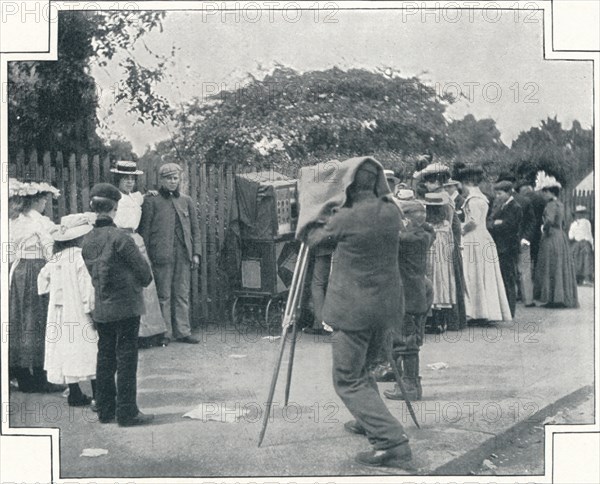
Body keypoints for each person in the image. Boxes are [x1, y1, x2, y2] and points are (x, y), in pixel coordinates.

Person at [304, 159, 412, 469]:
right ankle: (370, 421)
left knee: (347, 379)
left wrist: (316, 211)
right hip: (387, 309)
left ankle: (392, 442)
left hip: (353, 311)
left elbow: (313, 241)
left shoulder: (345, 218)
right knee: (364, 368)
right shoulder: (392, 211)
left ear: (348, 185)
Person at [82, 183, 154, 426]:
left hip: (102, 308)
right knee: (126, 359)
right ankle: (127, 412)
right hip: (126, 308)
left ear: (93, 207)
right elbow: (144, 273)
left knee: (104, 358)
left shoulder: (87, 240)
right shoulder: (121, 238)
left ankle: (105, 410)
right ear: (115, 207)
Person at [8, 178, 64, 393]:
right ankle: (40, 377)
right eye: (44, 200)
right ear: (37, 200)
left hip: (18, 270)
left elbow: (11, 251)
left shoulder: (15, 219)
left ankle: (22, 375)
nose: (45, 204)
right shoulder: (38, 222)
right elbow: (50, 249)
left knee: (20, 321)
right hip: (35, 271)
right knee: (38, 321)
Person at [38, 213, 98, 407]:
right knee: (89, 348)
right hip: (78, 310)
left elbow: (42, 280)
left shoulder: (56, 258)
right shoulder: (80, 258)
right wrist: (91, 308)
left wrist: (54, 294)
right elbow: (86, 288)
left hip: (60, 311)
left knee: (66, 348)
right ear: (79, 237)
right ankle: (98, 394)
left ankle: (74, 393)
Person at [138, 163, 202, 345]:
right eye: (169, 178)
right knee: (163, 295)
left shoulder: (186, 200)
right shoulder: (152, 201)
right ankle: (165, 333)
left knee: (182, 294)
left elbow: (195, 230)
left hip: (183, 255)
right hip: (161, 255)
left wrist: (196, 253)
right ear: (162, 180)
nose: (173, 182)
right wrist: (147, 257)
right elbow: (146, 232)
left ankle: (183, 332)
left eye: (176, 178)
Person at [111, 160, 167, 348]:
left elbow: (141, 198)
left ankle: (150, 332)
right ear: (118, 180)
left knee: (146, 284)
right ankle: (130, 335)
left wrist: (148, 194)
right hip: (120, 238)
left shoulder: (136, 197)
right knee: (127, 284)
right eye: (125, 179)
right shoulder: (114, 197)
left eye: (132, 179)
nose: (129, 182)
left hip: (137, 239)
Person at [384, 199, 435, 401]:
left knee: (406, 342)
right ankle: (404, 380)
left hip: (407, 296)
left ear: (406, 220)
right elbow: (429, 228)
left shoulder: (406, 240)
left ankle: (410, 385)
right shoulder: (424, 236)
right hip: (418, 294)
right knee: (407, 340)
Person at [413, 162, 467, 330]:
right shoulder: (443, 196)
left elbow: (447, 223)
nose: (427, 185)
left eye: (429, 181)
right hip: (445, 238)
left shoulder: (441, 197)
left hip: (440, 238)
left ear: (437, 181)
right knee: (441, 277)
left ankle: (437, 316)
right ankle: (439, 316)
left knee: (436, 275)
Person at [459, 165, 512, 322]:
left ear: (467, 182)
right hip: (484, 237)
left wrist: (461, 229)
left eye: (462, 183)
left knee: (473, 272)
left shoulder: (473, 200)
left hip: (473, 238)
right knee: (484, 273)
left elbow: (473, 222)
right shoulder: (483, 198)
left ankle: (476, 311)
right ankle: (484, 310)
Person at [533, 176, 578, 308]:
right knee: (559, 265)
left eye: (544, 192)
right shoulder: (561, 204)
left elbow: (549, 220)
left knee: (550, 265)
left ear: (549, 192)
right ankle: (559, 297)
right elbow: (564, 222)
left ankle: (552, 298)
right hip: (560, 236)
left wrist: (544, 228)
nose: (543, 195)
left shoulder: (551, 205)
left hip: (551, 236)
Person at [488, 181, 523, 318]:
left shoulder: (515, 207)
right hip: (501, 246)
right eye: (496, 193)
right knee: (502, 277)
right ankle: (504, 309)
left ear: (508, 192)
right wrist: (496, 223)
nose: (497, 196)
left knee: (508, 278)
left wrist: (496, 224)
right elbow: (492, 221)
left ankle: (510, 310)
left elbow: (508, 225)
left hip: (508, 248)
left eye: (500, 193)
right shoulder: (501, 205)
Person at [513, 180, 537, 307]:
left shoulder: (501, 200)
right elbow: (533, 222)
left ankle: (512, 298)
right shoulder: (526, 201)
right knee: (525, 270)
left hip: (509, 241)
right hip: (523, 240)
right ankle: (528, 299)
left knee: (510, 270)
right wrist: (526, 238)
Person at [569, 205, 594, 286]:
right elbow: (589, 235)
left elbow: (570, 236)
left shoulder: (573, 224)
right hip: (585, 243)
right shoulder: (587, 222)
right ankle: (585, 279)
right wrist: (592, 245)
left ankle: (576, 278)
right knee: (586, 260)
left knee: (576, 259)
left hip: (576, 244)